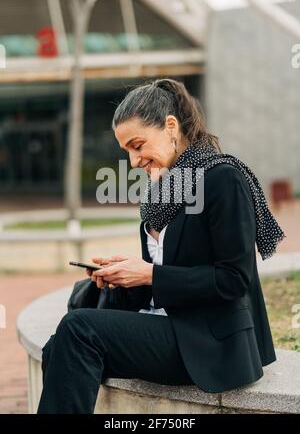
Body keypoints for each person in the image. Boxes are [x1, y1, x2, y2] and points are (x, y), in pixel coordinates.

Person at [37, 78, 285, 414]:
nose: (134, 161)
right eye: (126, 151)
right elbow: (161, 280)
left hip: (207, 342)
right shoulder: (161, 192)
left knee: (77, 329)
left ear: (171, 126)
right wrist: (122, 277)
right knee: (57, 347)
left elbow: (233, 279)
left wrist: (150, 274)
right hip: (166, 328)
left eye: (138, 145)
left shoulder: (222, 179)